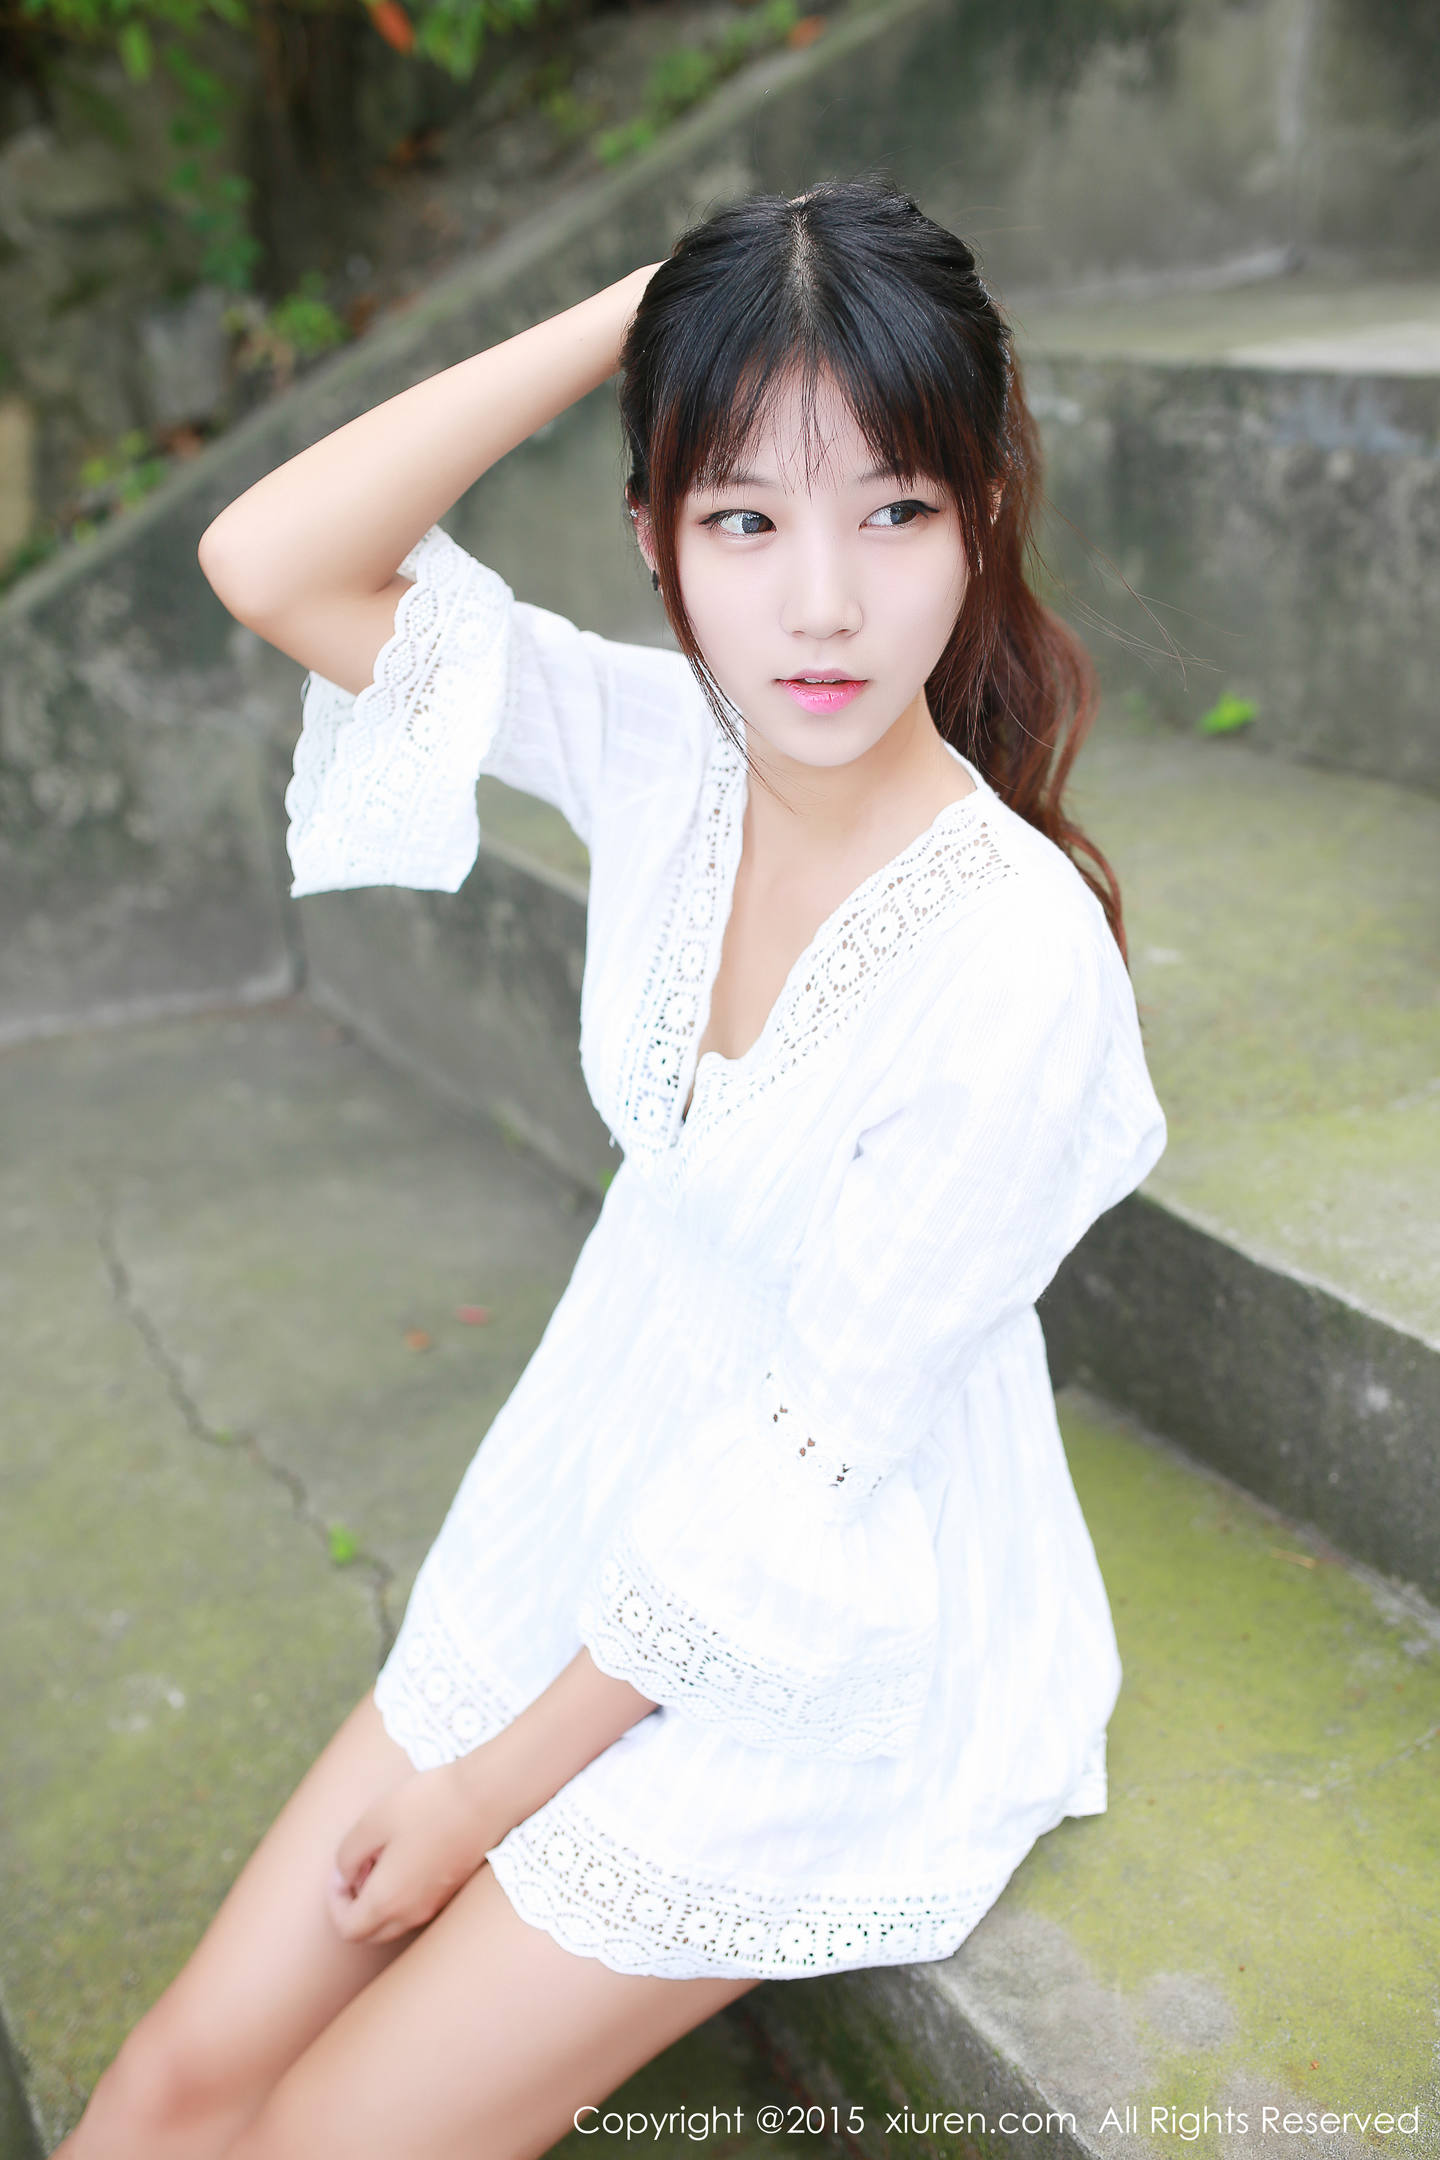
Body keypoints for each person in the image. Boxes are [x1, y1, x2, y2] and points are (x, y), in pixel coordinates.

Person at [58, 179, 1166, 2160]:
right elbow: (266, 558)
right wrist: (653, 306)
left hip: (822, 1631)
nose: (820, 606)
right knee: (165, 2092)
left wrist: (482, 1797)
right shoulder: (665, 744)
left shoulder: (1017, 960)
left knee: (308, 2140)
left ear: (983, 516)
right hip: (588, 1498)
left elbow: (810, 1465)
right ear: (655, 533)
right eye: (743, 518)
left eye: (894, 511)